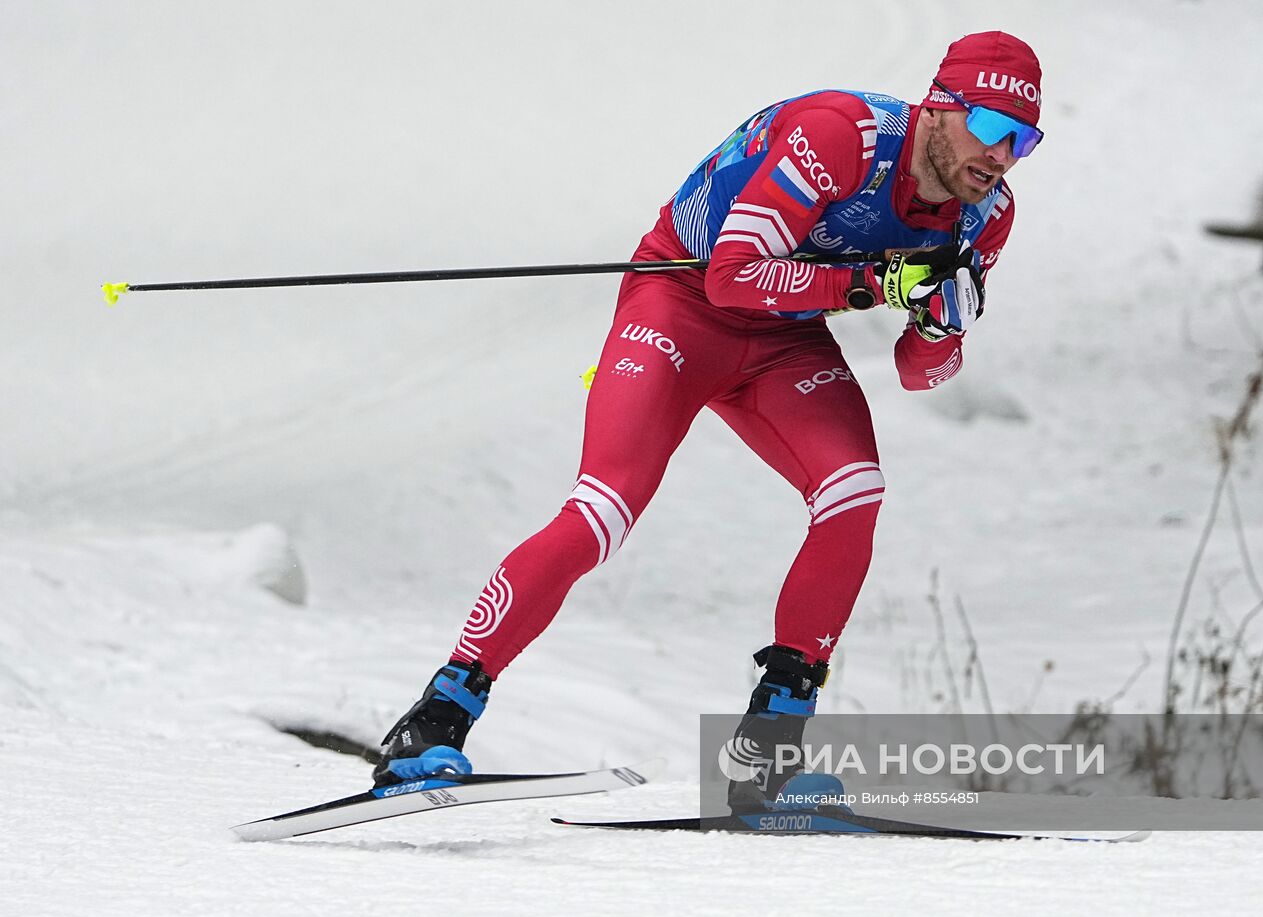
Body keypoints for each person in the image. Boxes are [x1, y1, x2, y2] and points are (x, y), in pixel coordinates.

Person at [373, 31, 1045, 811]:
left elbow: (917, 374)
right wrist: (872, 283)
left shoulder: (983, 216)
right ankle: (435, 720)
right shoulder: (841, 135)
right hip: (682, 303)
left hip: (785, 336)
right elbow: (731, 279)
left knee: (853, 492)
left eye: (1025, 140)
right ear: (940, 108)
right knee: (604, 509)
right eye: (994, 129)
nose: (1003, 156)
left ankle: (769, 747)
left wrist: (941, 326)